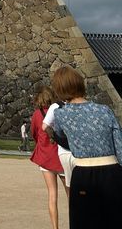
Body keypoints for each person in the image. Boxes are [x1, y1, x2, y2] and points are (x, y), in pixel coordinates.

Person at [51, 65, 122, 229]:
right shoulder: (105, 110)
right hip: (112, 173)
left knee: (83, 222)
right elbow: (119, 146)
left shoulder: (61, 114)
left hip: (83, 174)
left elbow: (59, 135)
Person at [29, 85, 65, 229]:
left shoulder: (37, 115)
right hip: (60, 157)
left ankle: (55, 227)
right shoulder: (59, 112)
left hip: (45, 157)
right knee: (71, 194)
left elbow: (34, 133)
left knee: (52, 195)